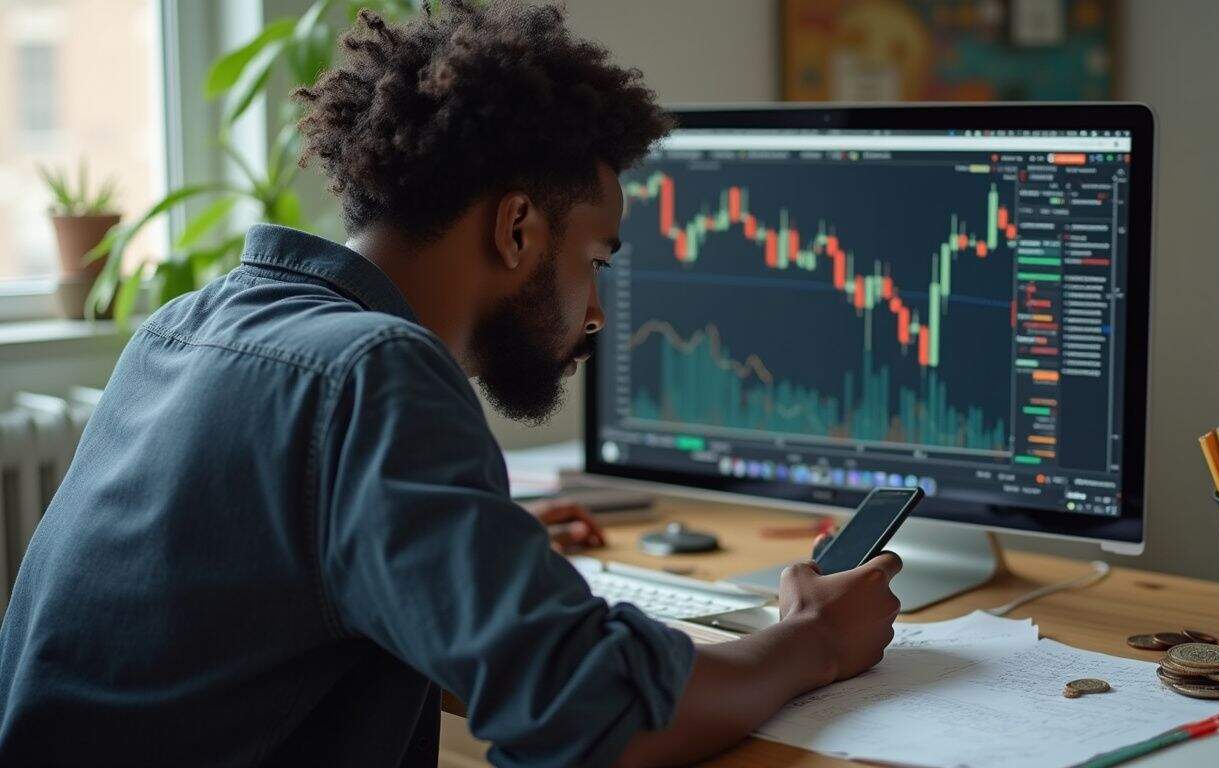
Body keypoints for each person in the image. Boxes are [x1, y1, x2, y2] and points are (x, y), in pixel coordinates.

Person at [0, 2, 903, 766]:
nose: (594, 314)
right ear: (517, 229)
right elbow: (586, 715)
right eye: (594, 260)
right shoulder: (375, 372)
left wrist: (464, 548)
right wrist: (816, 640)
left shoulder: (192, 323)